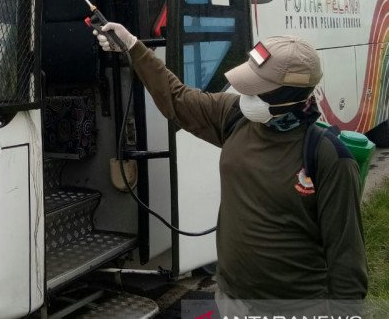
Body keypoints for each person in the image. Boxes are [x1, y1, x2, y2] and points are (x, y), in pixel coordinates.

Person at [93, 22, 367, 313]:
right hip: (232, 300)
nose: (244, 95)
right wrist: (133, 45)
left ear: (289, 96)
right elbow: (177, 99)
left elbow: (346, 259)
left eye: (255, 89)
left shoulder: (327, 156)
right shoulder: (235, 115)